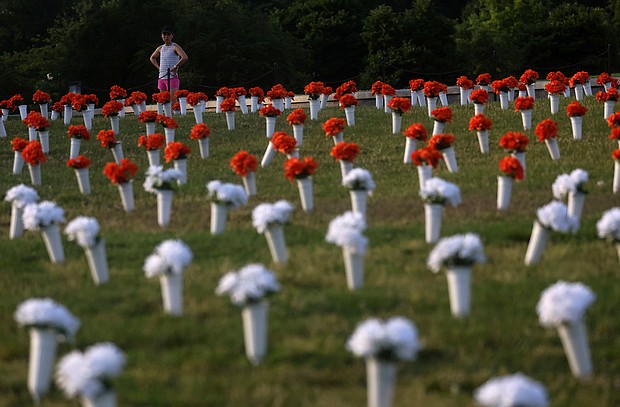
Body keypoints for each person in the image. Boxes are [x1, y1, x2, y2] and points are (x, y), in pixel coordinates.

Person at [150, 26, 188, 104]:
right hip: (162, 76)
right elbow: (152, 58)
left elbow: (184, 57)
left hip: (172, 77)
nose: (166, 36)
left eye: (168, 34)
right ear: (162, 36)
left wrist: (176, 66)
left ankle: (175, 113)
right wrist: (158, 67)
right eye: (164, 34)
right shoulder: (160, 48)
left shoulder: (175, 46)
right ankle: (166, 114)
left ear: (172, 36)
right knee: (163, 99)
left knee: (173, 100)